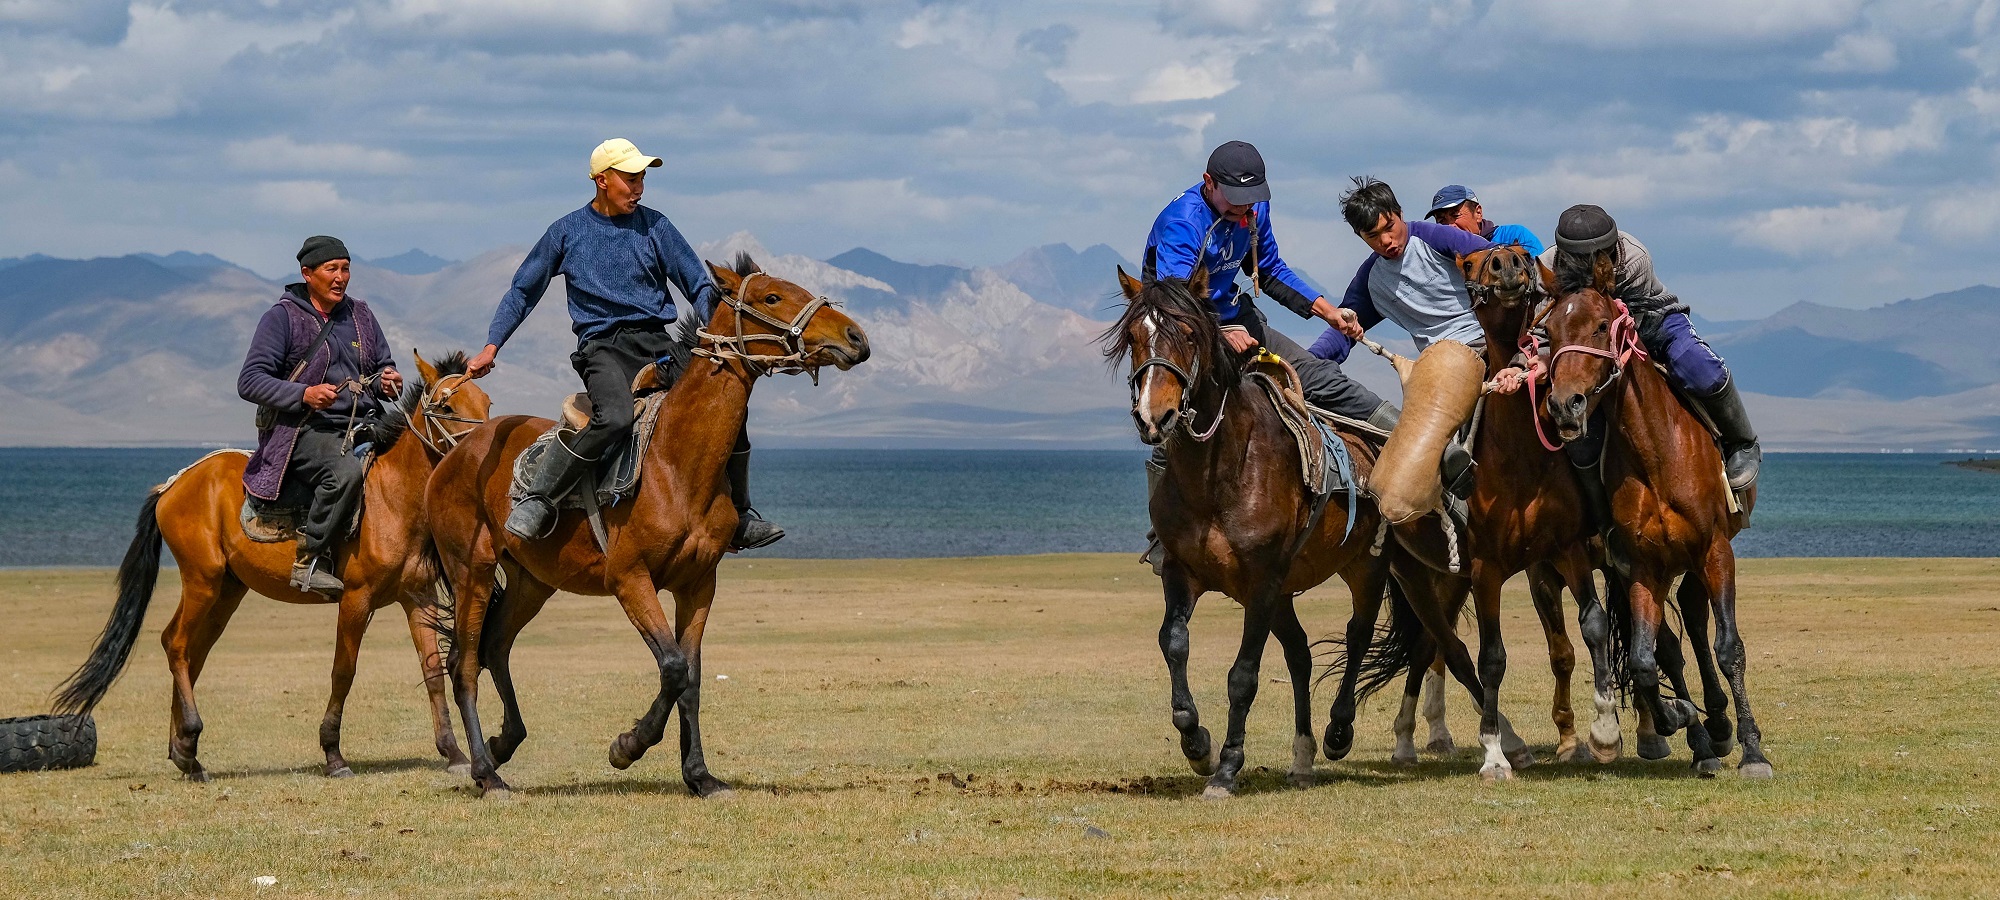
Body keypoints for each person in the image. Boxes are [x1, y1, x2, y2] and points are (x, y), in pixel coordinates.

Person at [465, 138, 783, 548]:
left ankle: (739, 516)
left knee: (727, 409)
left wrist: (721, 331)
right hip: (602, 347)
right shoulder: (566, 232)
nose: (639, 188)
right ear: (602, 180)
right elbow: (523, 291)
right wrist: (493, 345)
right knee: (614, 417)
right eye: (630, 179)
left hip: (658, 344)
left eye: (642, 179)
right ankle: (539, 498)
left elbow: (699, 285)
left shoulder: (657, 227)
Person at [1540, 204, 1761, 492]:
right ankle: (1594, 508)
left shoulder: (1635, 258)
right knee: (1580, 431)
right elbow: (1548, 319)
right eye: (1578, 259)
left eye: (1592, 259)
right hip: (1589, 338)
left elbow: (1628, 321)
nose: (1586, 266)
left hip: (1652, 322)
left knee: (1698, 367)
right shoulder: (1547, 265)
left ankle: (1742, 443)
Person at [1309, 177, 1494, 506]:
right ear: (1361, 237)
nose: (1385, 241)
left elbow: (1491, 260)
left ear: (1399, 213)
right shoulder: (1371, 280)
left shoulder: (1435, 237)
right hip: (1440, 371)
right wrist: (1305, 365)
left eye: (1389, 227)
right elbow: (1342, 329)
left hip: (1488, 348)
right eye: (1372, 236)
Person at [238, 236, 402, 596]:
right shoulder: (282, 318)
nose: (340, 277)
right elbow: (249, 381)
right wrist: (304, 394)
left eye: (345, 269)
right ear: (307, 274)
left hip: (364, 422)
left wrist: (389, 380)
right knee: (344, 473)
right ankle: (310, 558)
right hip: (303, 430)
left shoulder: (361, 314)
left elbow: (382, 364)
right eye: (332, 269)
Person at [1427, 184, 1544, 256]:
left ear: (1478, 213)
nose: (1449, 226)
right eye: (1441, 220)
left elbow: (1541, 277)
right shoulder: (1438, 254)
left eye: (1456, 215)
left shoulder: (1514, 236)